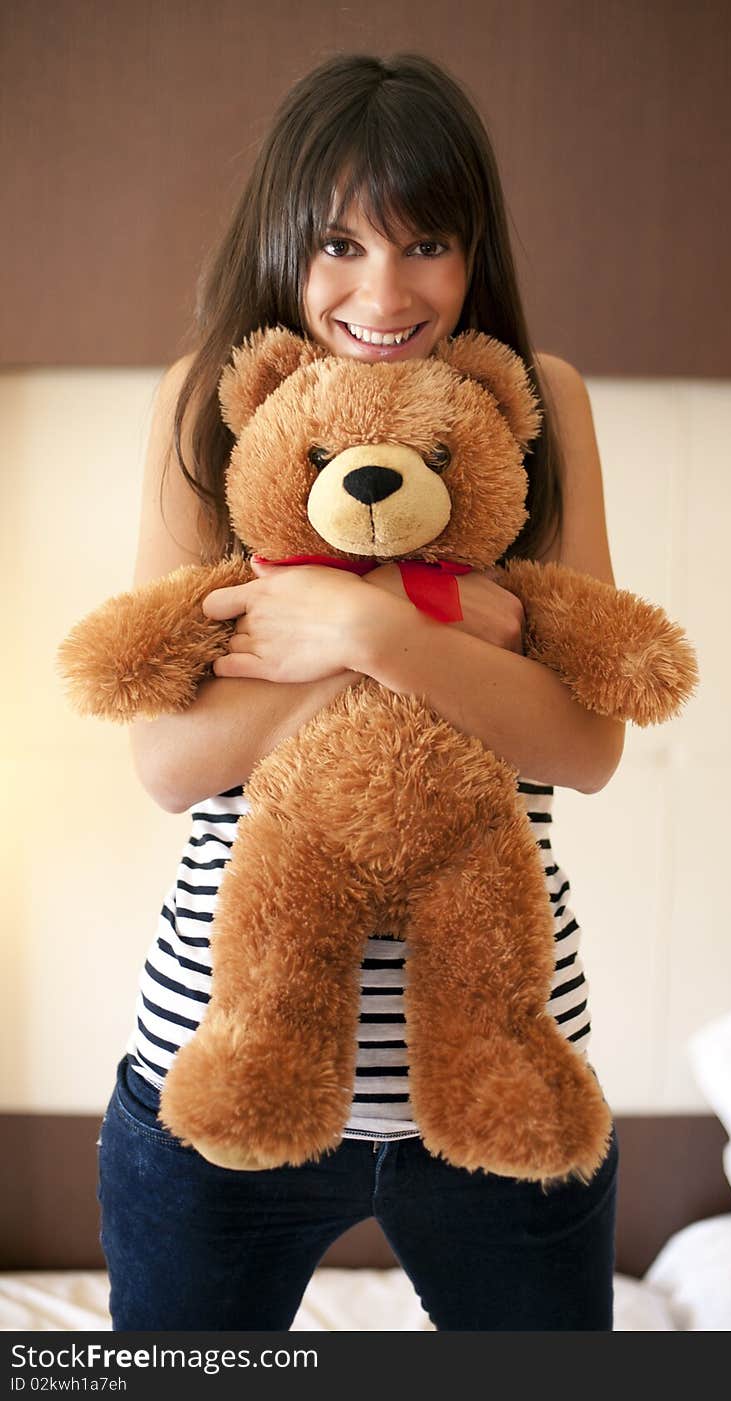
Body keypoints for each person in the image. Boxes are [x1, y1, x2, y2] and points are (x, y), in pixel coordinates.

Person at [96, 51, 625, 1332]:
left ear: (472, 248)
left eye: (425, 242)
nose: (381, 290)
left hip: (503, 1066)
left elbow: (586, 743)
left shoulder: (539, 403)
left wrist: (348, 626)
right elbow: (171, 766)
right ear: (281, 241)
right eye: (337, 242)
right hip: (221, 1062)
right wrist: (419, 623)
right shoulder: (208, 409)